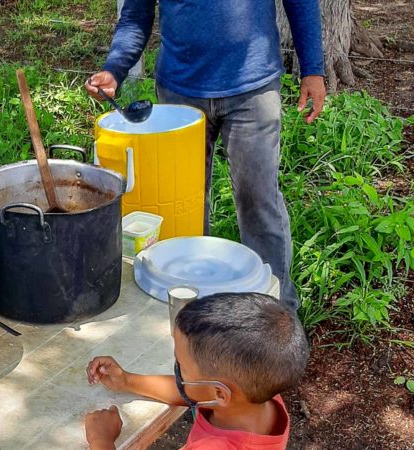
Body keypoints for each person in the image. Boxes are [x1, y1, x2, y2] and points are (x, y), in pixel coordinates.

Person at [86, 1, 327, 311]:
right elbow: (136, 14)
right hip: (180, 94)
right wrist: (115, 68)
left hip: (253, 88)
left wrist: (313, 69)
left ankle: (278, 314)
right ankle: (193, 316)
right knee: (185, 204)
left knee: (259, 198)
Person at [84, 293, 309, 449]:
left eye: (181, 366)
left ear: (220, 394)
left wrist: (101, 440)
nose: (178, 373)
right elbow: (194, 391)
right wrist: (127, 381)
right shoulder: (260, 396)